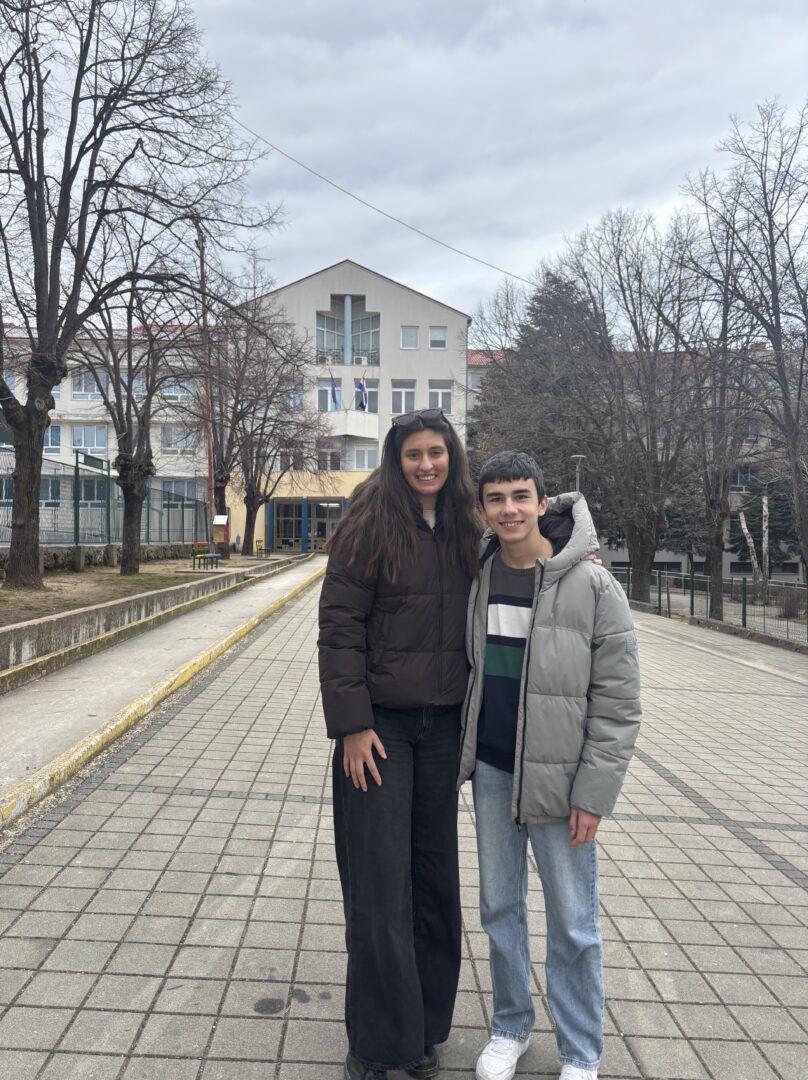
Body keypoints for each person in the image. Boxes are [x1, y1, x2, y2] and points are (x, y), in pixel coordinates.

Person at [458, 451, 642, 1080]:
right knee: (498, 908)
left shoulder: (592, 585)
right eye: (496, 498)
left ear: (543, 502)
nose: (509, 509)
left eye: (520, 496)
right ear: (484, 509)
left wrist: (594, 792)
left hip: (561, 780)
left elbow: (618, 702)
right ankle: (510, 1025)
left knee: (573, 920)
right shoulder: (479, 574)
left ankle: (580, 1052)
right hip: (492, 770)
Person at [318, 409, 481, 1080]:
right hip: (379, 730)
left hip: (443, 729)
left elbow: (532, 530)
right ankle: (378, 1044)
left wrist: (574, 550)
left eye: (435, 452)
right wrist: (352, 725)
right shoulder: (369, 522)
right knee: (380, 885)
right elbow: (339, 627)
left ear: (452, 456)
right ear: (396, 460)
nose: (426, 464)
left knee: (434, 883)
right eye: (413, 454)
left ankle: (422, 1030)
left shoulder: (470, 523)